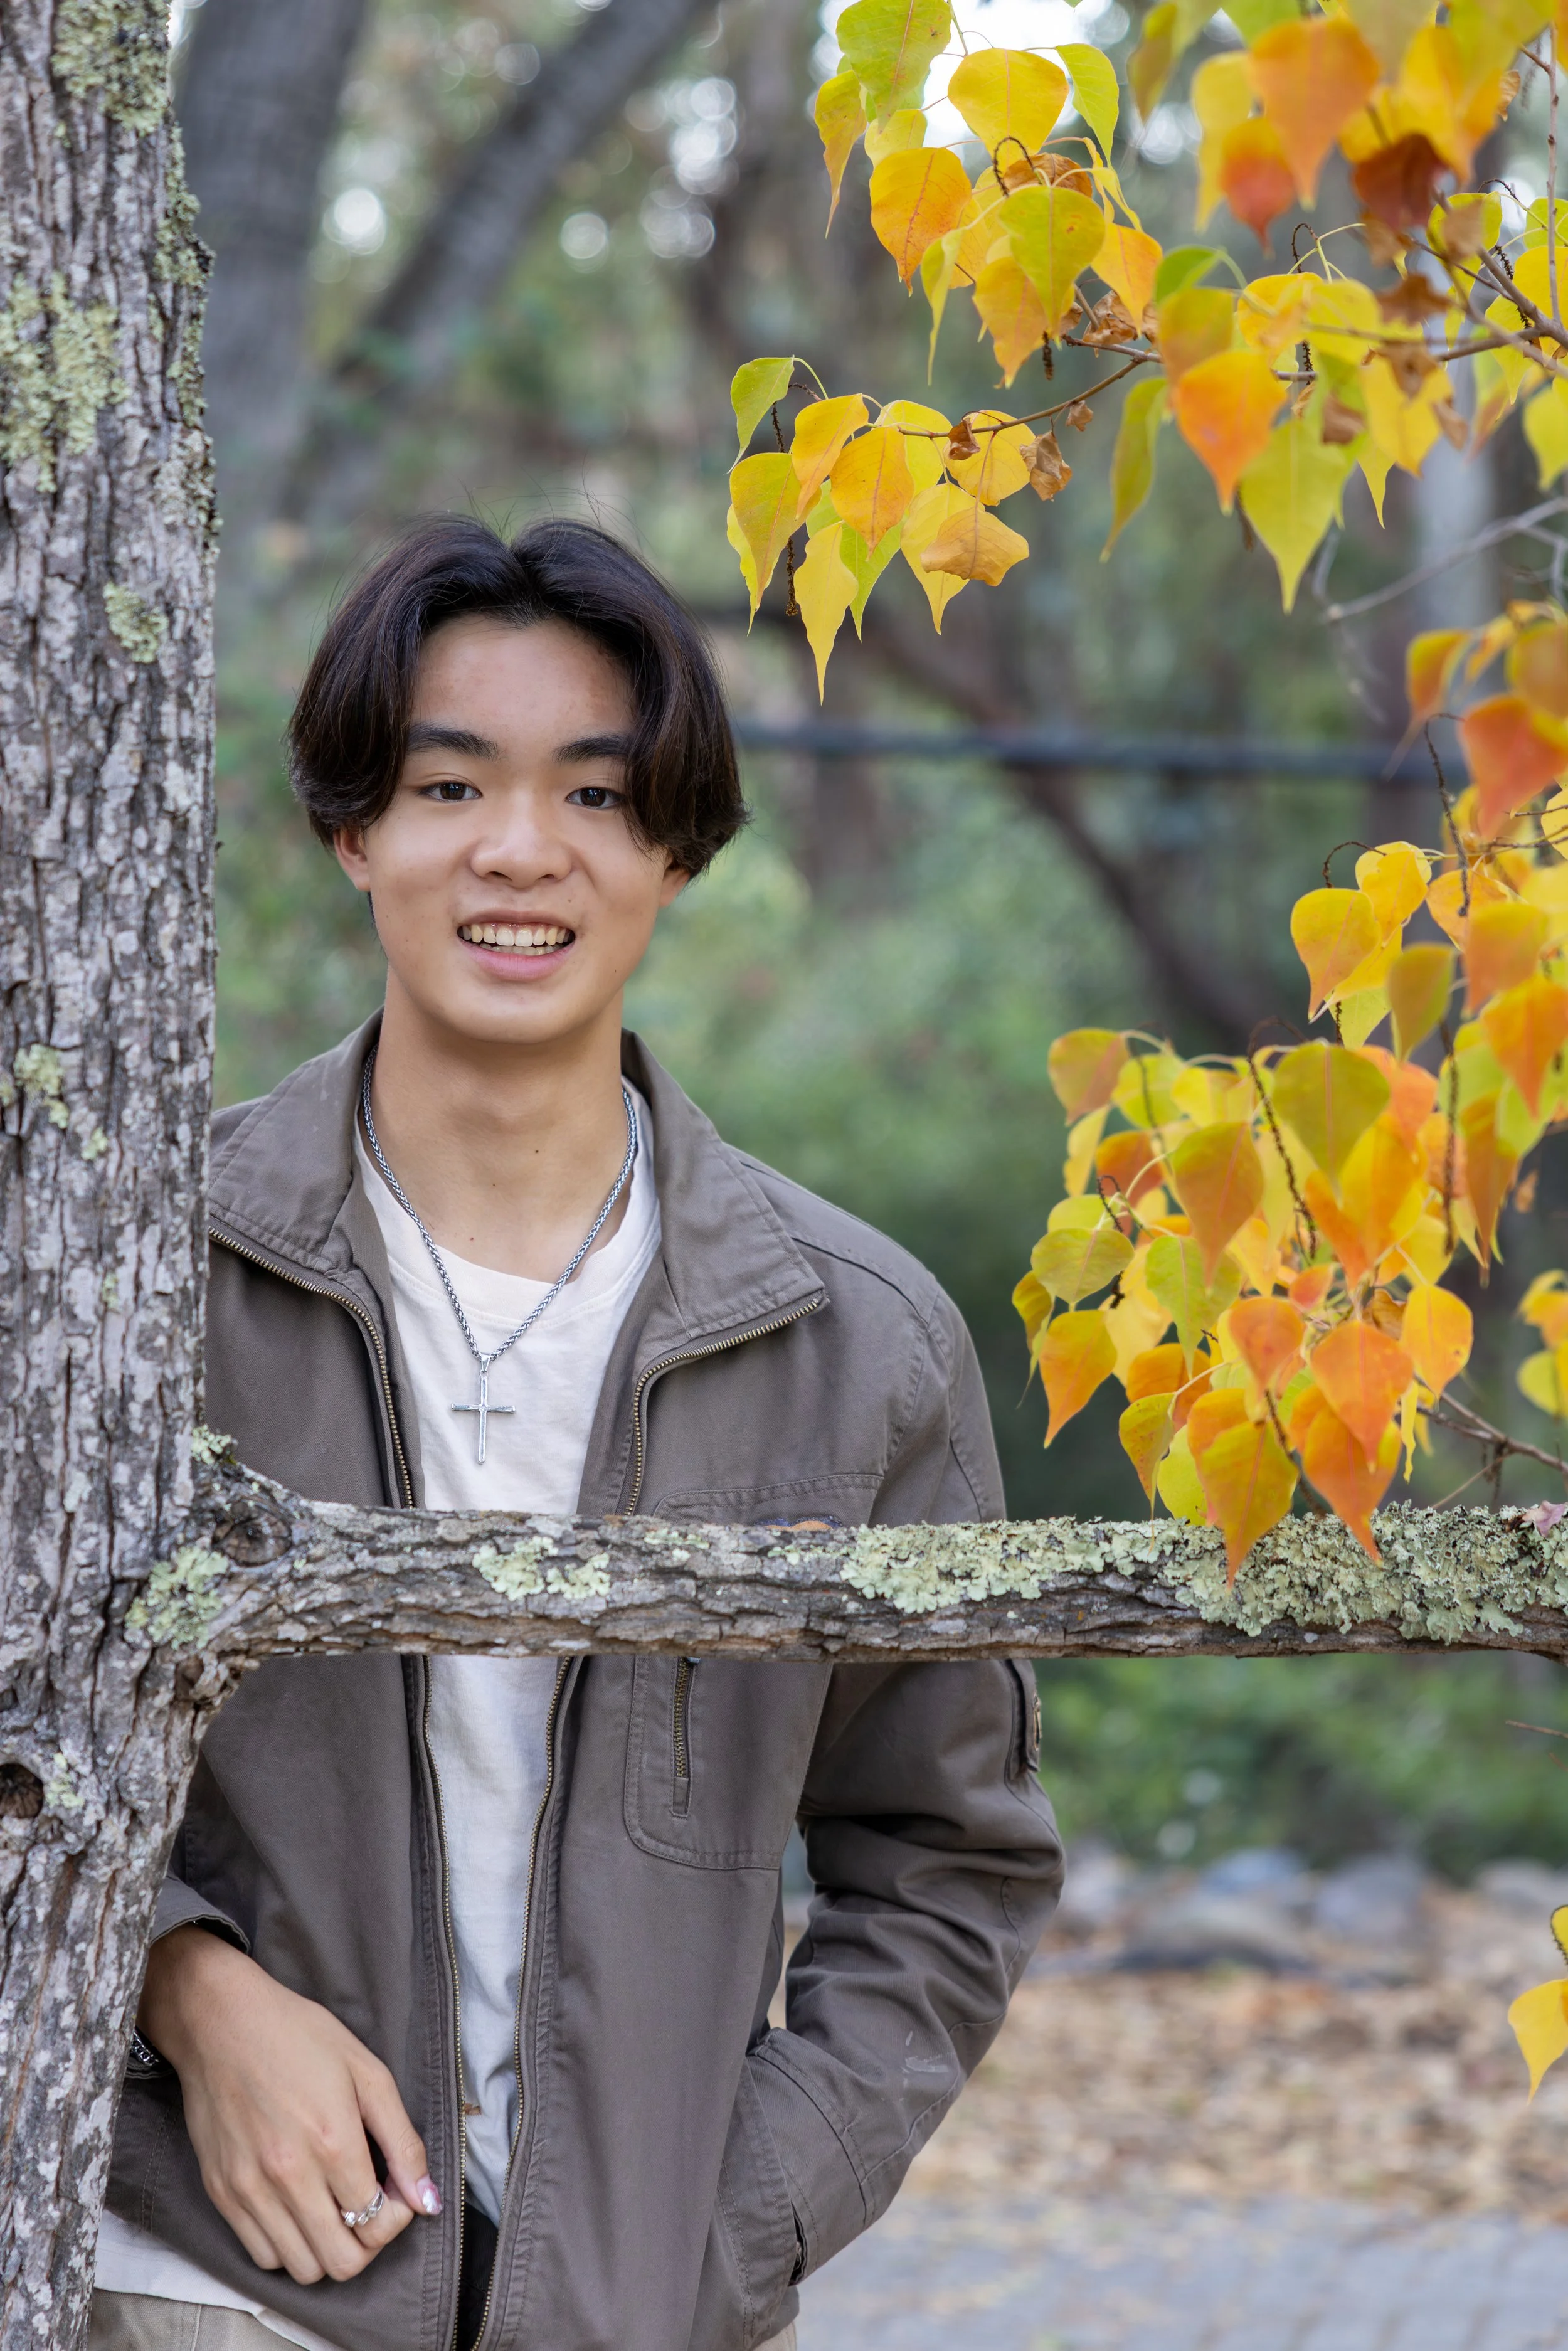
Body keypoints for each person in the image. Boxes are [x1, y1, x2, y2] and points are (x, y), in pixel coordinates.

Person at [93, 516, 1063, 2351]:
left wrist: (738, 2213)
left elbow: (947, 1863)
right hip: (189, 2278)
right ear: (353, 826)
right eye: (451, 781)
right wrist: (185, 1982)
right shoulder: (129, 1289)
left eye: (596, 794)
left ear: (674, 846)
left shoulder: (855, 1343)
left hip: (637, 2305)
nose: (519, 849)